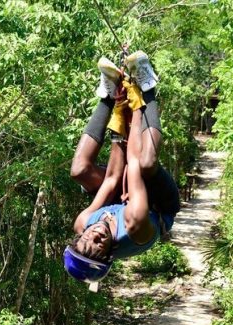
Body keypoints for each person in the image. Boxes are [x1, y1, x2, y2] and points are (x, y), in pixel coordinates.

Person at [64, 51, 180, 289]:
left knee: (79, 171)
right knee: (147, 163)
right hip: (158, 204)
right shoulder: (134, 226)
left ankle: (108, 93)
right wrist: (136, 105)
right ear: (109, 255)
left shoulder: (83, 223)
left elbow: (113, 179)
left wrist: (118, 109)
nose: (94, 234)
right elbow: (134, 163)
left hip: (121, 198)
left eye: (86, 239)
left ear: (79, 236)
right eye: (97, 246)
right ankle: (149, 85)